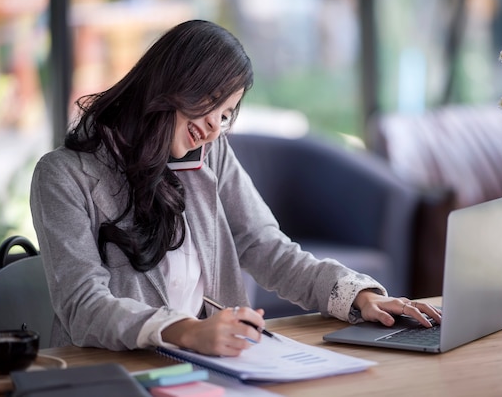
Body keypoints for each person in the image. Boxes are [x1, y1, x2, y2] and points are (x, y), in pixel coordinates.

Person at [30, 20, 441, 356]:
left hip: (208, 367)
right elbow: (83, 306)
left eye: (226, 114)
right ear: (169, 83)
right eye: (210, 100)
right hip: (111, 373)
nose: (214, 126)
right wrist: (185, 331)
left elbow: (265, 247)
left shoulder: (211, 153)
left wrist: (356, 296)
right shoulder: (64, 176)